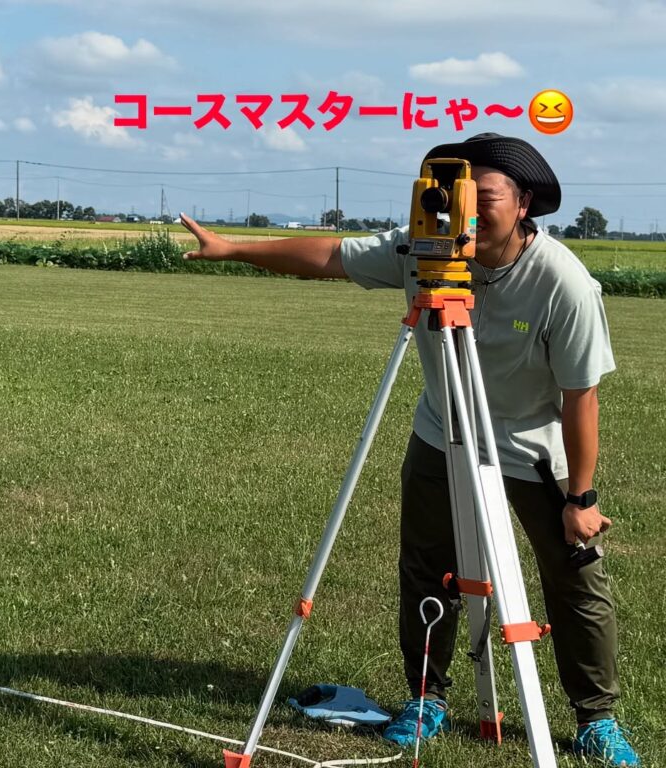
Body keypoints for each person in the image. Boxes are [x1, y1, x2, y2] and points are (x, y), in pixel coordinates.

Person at [180, 133, 640, 767]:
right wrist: (232, 248)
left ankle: (596, 718)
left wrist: (581, 497)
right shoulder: (422, 248)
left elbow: (580, 396)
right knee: (426, 568)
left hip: (531, 449)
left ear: (524, 203)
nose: (466, 211)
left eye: (485, 197)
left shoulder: (564, 283)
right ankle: (427, 696)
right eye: (457, 195)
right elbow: (331, 255)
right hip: (441, 433)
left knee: (574, 577)